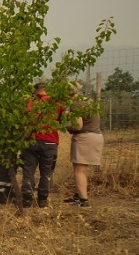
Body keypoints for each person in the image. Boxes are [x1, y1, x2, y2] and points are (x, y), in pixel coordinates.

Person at [20, 80, 65, 208]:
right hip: (50, 141)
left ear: (35, 90)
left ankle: (27, 198)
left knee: (28, 170)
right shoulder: (55, 102)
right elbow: (62, 119)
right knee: (46, 172)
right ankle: (42, 200)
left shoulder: (29, 102)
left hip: (31, 140)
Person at [64, 84, 103, 208]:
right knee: (81, 169)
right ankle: (78, 195)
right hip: (96, 136)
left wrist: (64, 126)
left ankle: (84, 200)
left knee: (79, 170)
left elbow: (78, 126)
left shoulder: (76, 104)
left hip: (85, 138)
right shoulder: (88, 101)